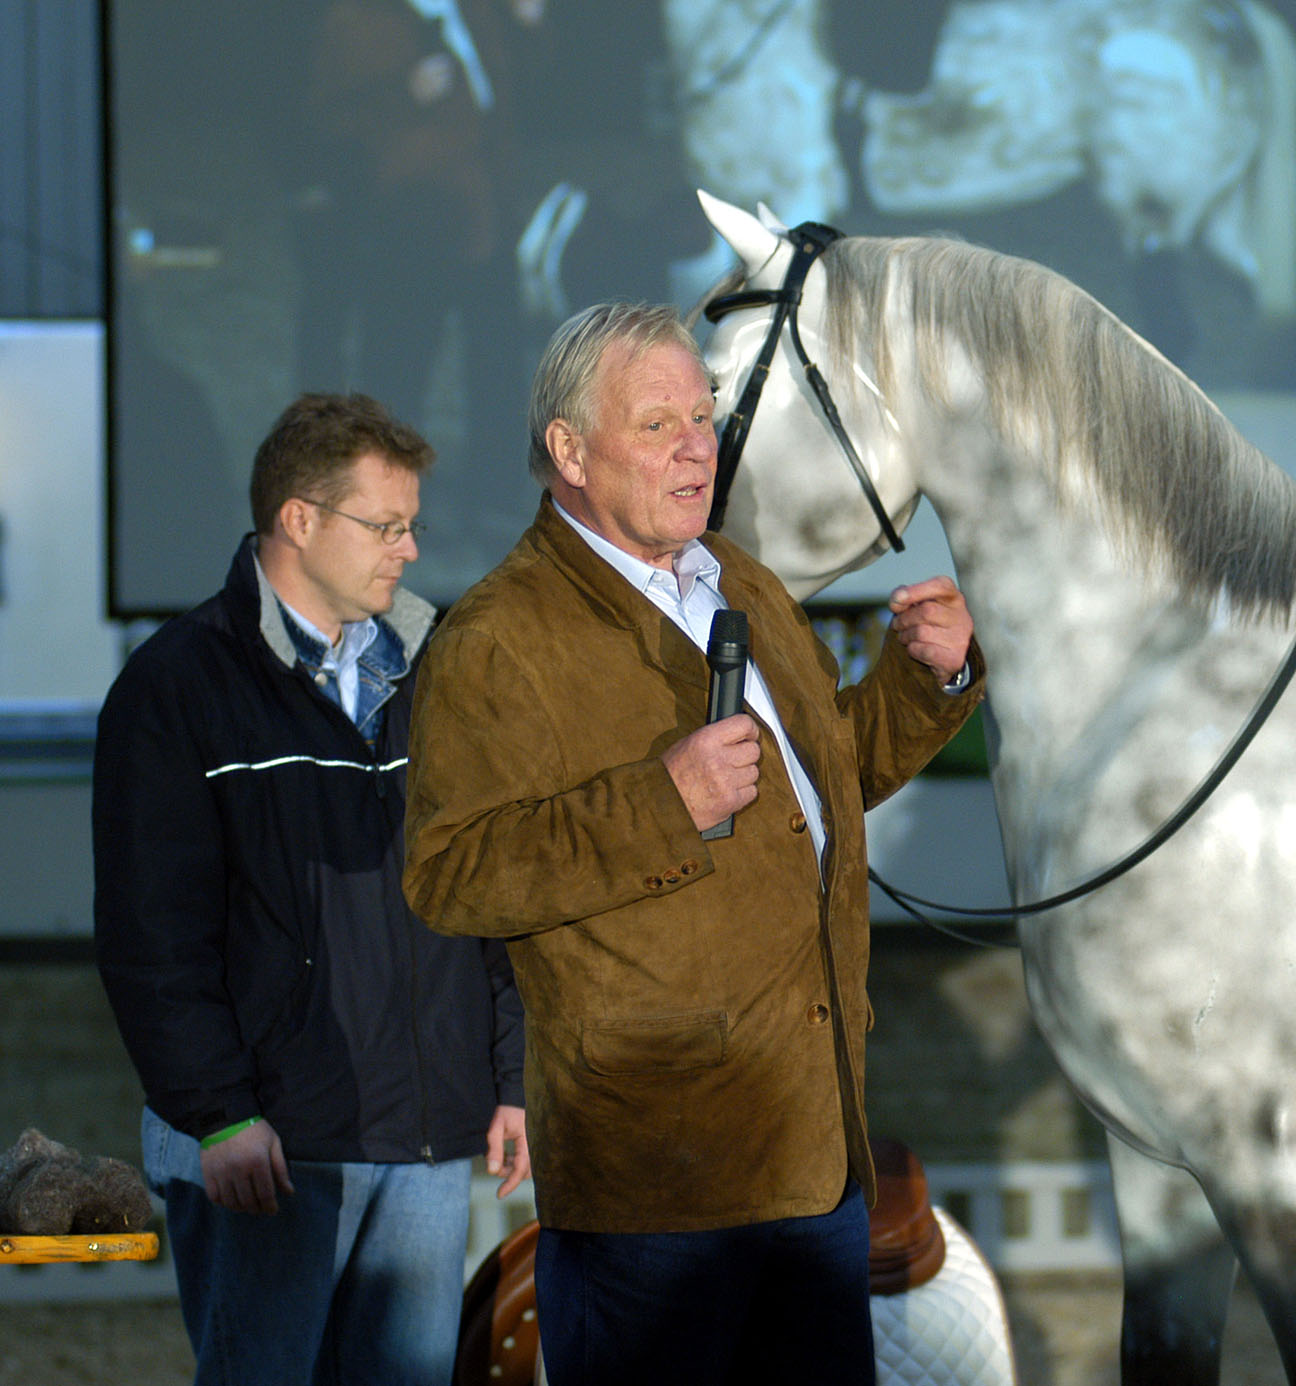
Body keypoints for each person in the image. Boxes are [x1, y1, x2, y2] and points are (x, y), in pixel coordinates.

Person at [402, 302, 985, 1384]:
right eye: (657, 423)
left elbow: (825, 780)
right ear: (570, 451)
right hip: (654, 1198)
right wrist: (662, 803)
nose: (696, 447)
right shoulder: (498, 637)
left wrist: (928, 677)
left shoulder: (737, 579)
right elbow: (452, 874)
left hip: (812, 1160)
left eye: (704, 418)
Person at [92, 393, 529, 1386]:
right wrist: (220, 1115)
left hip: (424, 1142)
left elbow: (489, 885)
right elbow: (153, 936)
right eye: (386, 525)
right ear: (298, 519)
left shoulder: (442, 673)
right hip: (270, 1145)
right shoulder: (176, 687)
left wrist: (513, 1078)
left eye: (412, 526)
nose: (410, 549)